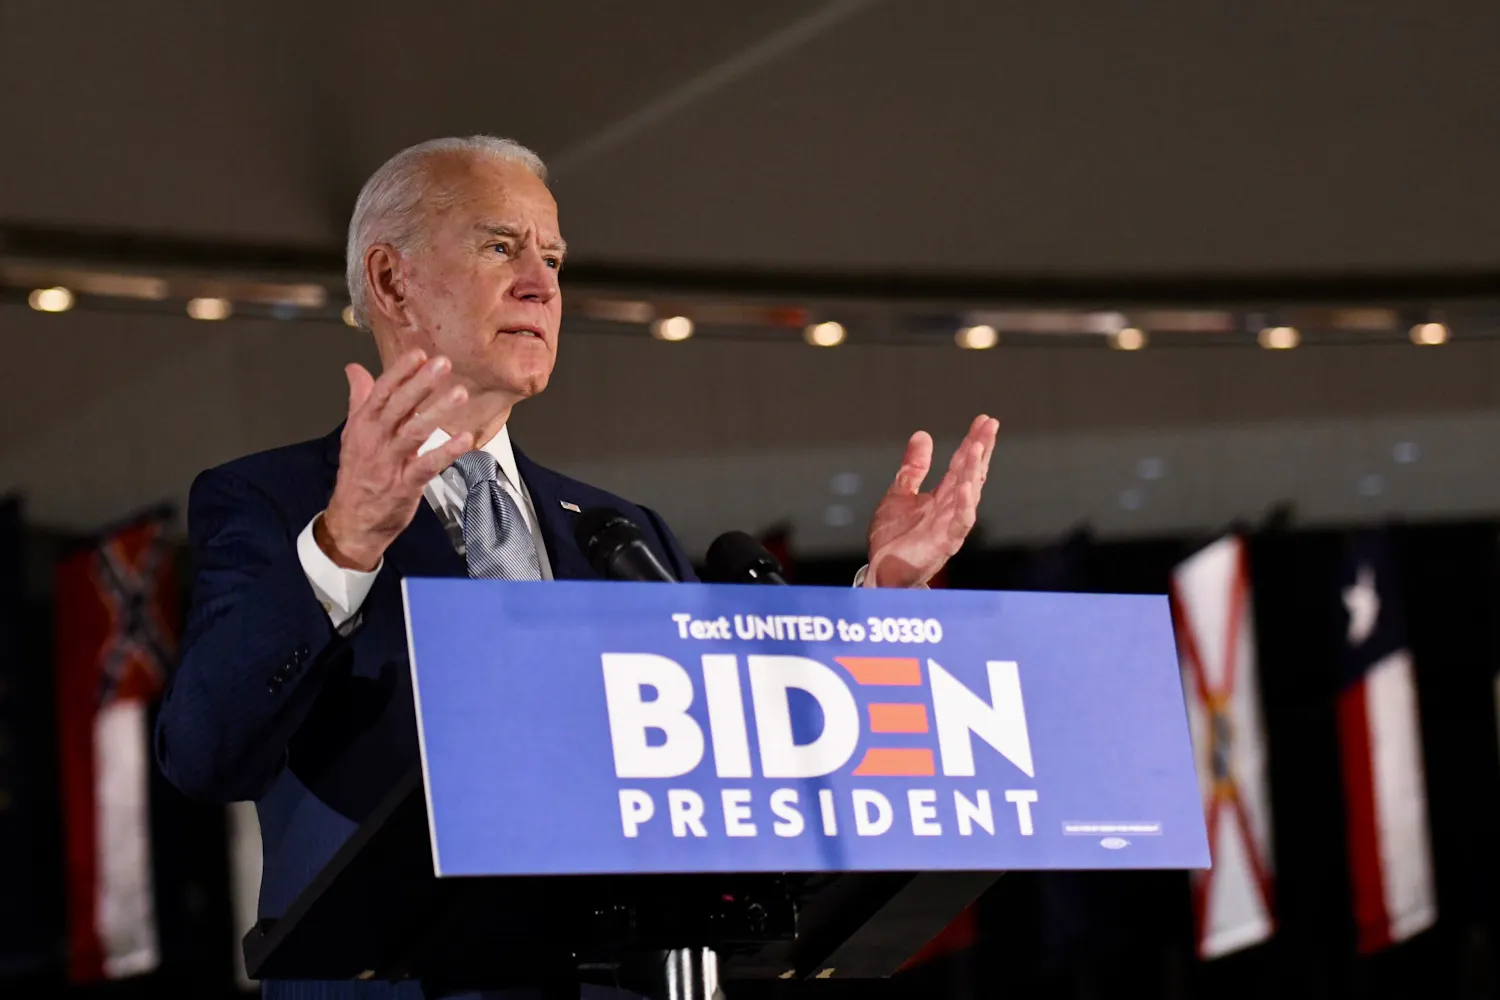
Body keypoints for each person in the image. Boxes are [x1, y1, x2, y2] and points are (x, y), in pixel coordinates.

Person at [154, 136, 998, 1000]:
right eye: (499, 246)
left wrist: (881, 615)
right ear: (391, 280)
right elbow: (205, 754)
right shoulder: (272, 500)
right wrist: (347, 541)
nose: (542, 285)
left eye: (553, 257)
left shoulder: (620, 532)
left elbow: (735, 762)